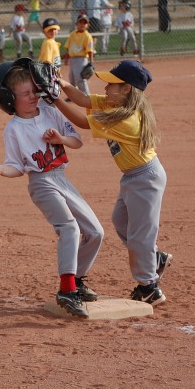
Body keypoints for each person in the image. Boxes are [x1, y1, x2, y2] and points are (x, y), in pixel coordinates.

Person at [0, 59, 104, 318]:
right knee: (69, 228)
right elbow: (17, 166)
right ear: (8, 100)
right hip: (41, 183)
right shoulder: (14, 129)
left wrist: (61, 139)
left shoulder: (51, 112)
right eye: (25, 94)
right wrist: (2, 170)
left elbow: (77, 142)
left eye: (34, 91)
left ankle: (78, 280)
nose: (33, 97)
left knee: (95, 232)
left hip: (62, 178)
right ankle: (66, 289)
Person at [54, 60, 173, 306]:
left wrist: (54, 100)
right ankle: (155, 258)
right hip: (133, 177)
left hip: (145, 178)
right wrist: (61, 84)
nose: (106, 88)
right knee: (121, 221)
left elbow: (84, 122)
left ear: (127, 88)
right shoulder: (118, 102)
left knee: (141, 234)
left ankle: (149, 286)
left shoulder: (125, 118)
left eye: (111, 84)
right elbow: (84, 100)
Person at [63, 12, 94, 95]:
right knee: (72, 79)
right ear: (77, 23)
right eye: (81, 22)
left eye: (85, 23)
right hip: (72, 60)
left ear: (88, 25)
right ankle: (73, 96)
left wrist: (91, 63)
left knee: (80, 79)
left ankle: (87, 96)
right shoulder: (72, 34)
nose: (82, 24)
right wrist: (66, 59)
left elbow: (90, 51)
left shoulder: (87, 36)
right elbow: (68, 47)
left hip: (82, 59)